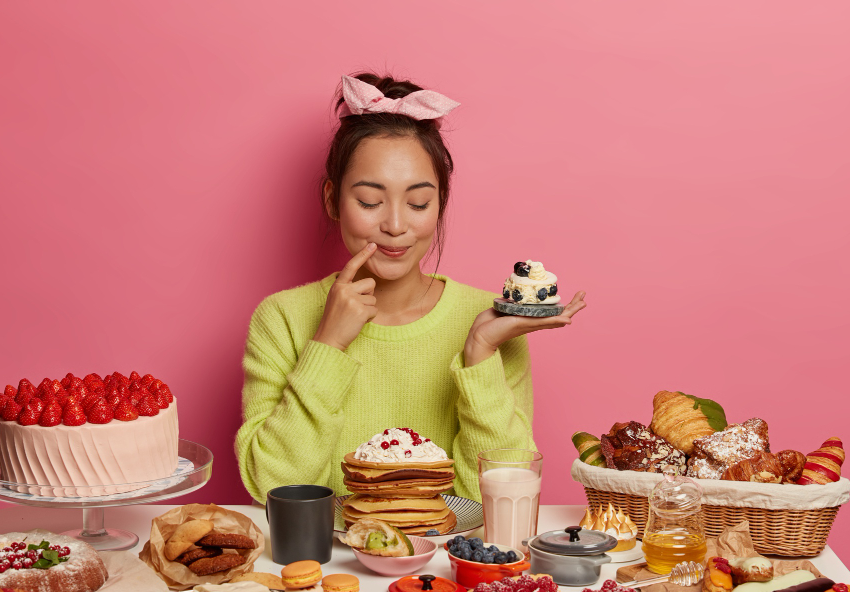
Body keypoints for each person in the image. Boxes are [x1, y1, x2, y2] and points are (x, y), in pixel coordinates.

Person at [234, 73, 586, 504]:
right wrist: (327, 345)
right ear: (332, 200)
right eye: (369, 201)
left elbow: (498, 501)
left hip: (443, 568)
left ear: (440, 203)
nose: (396, 226)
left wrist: (479, 356)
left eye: (418, 203)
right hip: (324, 567)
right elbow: (272, 488)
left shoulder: (489, 321)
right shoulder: (283, 318)